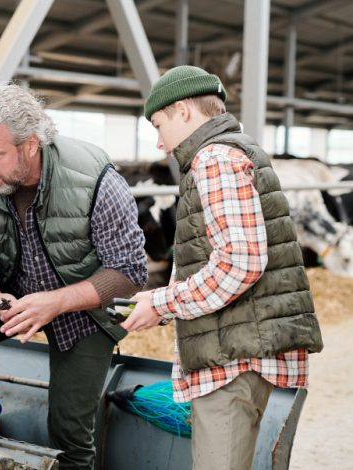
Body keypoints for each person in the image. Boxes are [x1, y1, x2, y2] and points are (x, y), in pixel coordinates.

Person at [122, 65, 324, 470]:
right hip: (239, 346)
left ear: (183, 111)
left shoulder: (214, 159)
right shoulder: (233, 150)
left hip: (234, 360)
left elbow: (240, 264)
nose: (160, 143)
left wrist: (162, 302)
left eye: (159, 125)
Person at [0, 83, 148, 469]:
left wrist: (55, 302)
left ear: (30, 145)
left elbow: (129, 272)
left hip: (83, 310)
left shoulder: (96, 181)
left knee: (68, 428)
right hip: (12, 299)